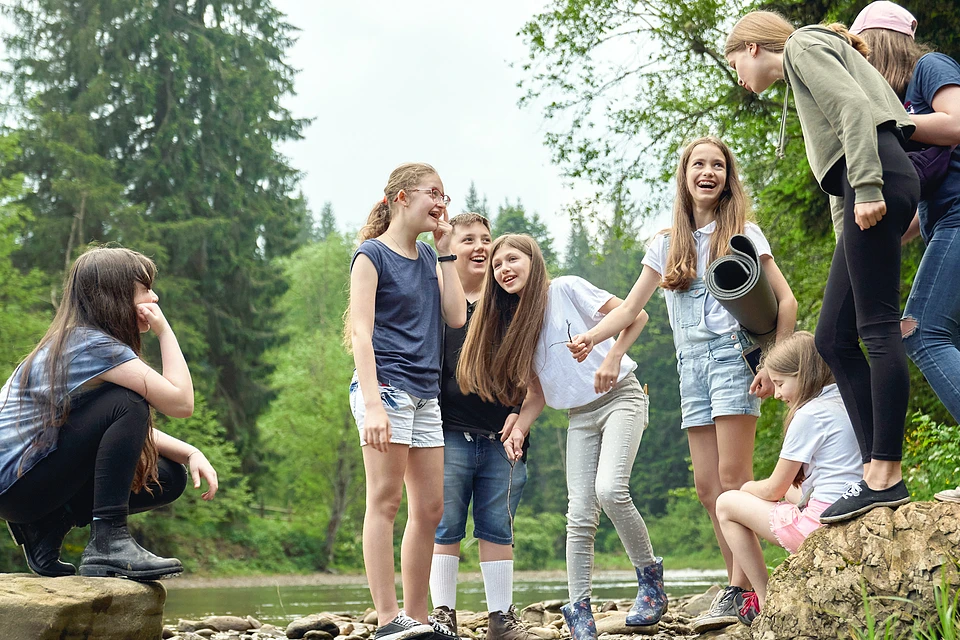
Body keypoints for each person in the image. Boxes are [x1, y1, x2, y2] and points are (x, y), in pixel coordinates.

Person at [567, 136, 797, 633]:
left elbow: (788, 303)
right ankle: (739, 586)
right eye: (699, 164)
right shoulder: (666, 243)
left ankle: (742, 593)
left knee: (735, 479)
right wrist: (594, 338)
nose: (708, 171)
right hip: (688, 367)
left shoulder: (745, 235)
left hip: (733, 360)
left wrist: (773, 365)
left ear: (727, 177)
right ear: (685, 175)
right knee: (707, 487)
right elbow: (631, 309)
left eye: (718, 165)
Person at [725, 11, 921, 524]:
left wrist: (872, 190)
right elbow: (839, 178)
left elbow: (856, 111)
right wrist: (849, 241)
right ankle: (870, 467)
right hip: (865, 184)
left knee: (877, 329)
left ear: (751, 47)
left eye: (735, 66)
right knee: (834, 336)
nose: (741, 81)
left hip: (875, 177)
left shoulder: (802, 47)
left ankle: (885, 474)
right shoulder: (802, 64)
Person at [458, 234, 666, 640]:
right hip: (579, 416)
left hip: (621, 396)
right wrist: (519, 426)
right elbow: (535, 394)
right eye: (497, 266)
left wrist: (611, 356)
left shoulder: (566, 288)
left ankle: (651, 582)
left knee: (610, 490)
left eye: (512, 259)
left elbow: (634, 315)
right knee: (579, 513)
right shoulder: (514, 326)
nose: (504, 269)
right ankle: (580, 610)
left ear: (533, 261)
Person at [0, 247, 218, 581]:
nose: (155, 297)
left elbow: (104, 426)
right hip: (19, 485)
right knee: (129, 400)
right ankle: (109, 541)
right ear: (115, 295)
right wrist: (165, 331)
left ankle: (46, 527)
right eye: (145, 289)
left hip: (21, 491)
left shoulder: (73, 342)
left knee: (168, 476)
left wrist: (189, 451)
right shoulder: (94, 347)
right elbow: (180, 403)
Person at [347, 163, 466, 640]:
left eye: (446, 195)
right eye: (433, 192)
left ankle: (416, 618)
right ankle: (386, 619)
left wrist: (446, 255)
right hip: (388, 391)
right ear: (400, 197)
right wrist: (373, 405)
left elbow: (456, 317)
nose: (441, 203)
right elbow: (360, 333)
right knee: (385, 500)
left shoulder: (427, 257)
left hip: (425, 395)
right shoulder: (370, 255)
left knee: (431, 509)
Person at [849, 1, 960, 503]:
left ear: (879, 42)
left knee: (922, 332)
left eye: (861, 53)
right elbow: (918, 203)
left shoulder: (929, 69)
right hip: (943, 222)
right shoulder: (901, 99)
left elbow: (956, 124)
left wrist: (893, 122)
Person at [429, 214, 537, 640]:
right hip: (448, 433)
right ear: (449, 249)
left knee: (497, 525)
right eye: (468, 239)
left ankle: (501, 619)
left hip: (503, 438)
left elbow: (539, 375)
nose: (479, 246)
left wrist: (523, 423)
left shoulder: (512, 303)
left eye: (486, 240)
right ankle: (442, 614)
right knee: (445, 522)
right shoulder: (435, 299)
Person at [715, 331, 862, 626]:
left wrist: (746, 488)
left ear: (804, 374)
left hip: (820, 526)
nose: (778, 393)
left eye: (781, 383)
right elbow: (793, 490)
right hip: (852, 506)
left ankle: (766, 598)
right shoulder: (850, 399)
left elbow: (773, 489)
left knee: (727, 503)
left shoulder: (810, 414)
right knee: (794, 495)